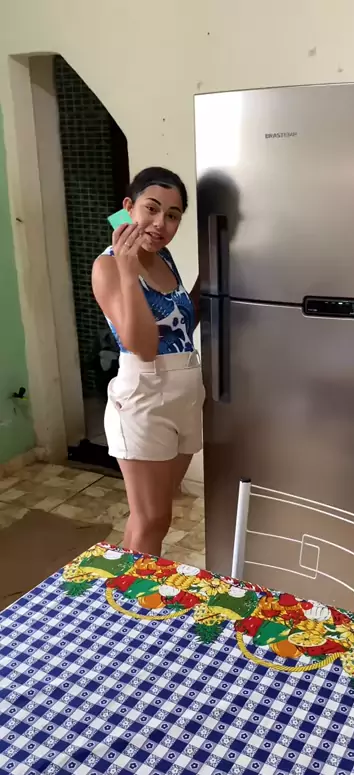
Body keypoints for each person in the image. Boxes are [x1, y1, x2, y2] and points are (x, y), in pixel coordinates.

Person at [92, 167, 204, 556]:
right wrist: (128, 273)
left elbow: (181, 321)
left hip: (184, 395)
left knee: (152, 516)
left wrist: (217, 266)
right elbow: (142, 346)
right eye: (151, 209)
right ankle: (135, 593)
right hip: (144, 400)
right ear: (129, 207)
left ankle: (121, 584)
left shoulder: (164, 257)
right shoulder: (108, 266)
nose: (160, 224)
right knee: (153, 519)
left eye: (172, 215)